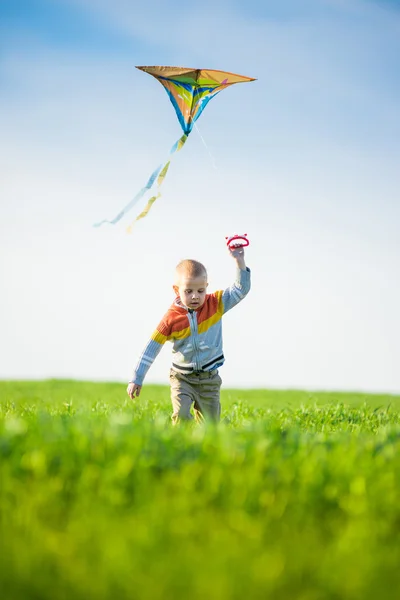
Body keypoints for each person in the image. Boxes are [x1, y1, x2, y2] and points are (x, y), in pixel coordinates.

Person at [127, 245, 251, 423]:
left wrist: (239, 261)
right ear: (176, 290)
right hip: (182, 379)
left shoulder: (215, 304)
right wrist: (136, 378)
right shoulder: (171, 318)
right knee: (181, 416)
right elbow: (151, 348)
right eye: (188, 291)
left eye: (200, 291)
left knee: (210, 426)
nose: (195, 296)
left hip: (209, 380)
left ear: (206, 287)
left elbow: (241, 290)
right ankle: (180, 446)